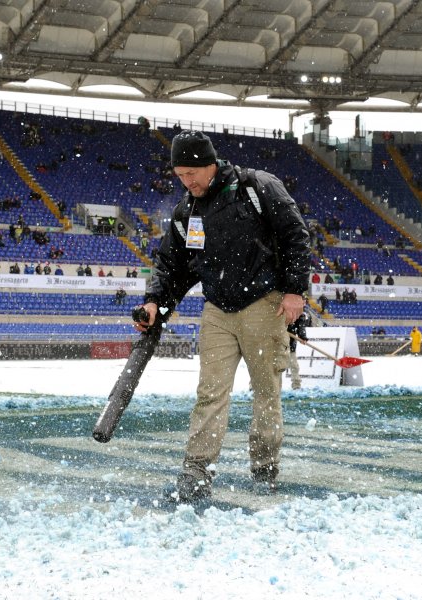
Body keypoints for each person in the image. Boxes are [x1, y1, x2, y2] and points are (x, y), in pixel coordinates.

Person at [135, 130, 311, 502]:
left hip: (264, 304)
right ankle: (196, 472)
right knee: (210, 393)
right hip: (217, 310)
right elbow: (172, 265)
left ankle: (264, 468)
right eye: (180, 175)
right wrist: (155, 302)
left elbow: (296, 235)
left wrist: (296, 290)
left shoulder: (257, 187)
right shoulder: (188, 211)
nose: (187, 181)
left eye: (191, 173)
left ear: (209, 163)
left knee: (266, 393)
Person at [287, 311, 309, 390]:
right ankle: (254, 385)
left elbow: (301, 326)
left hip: (290, 344)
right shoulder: (277, 308)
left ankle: (296, 386)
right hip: (273, 343)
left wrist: (303, 337)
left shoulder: (299, 313)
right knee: (268, 365)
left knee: (294, 365)